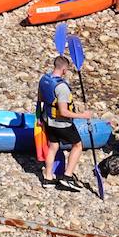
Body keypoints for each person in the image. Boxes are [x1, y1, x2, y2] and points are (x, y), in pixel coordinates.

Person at [37, 55, 91, 191]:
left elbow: (40, 99)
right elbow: (63, 112)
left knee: (53, 146)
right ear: (65, 69)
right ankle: (67, 177)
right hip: (62, 124)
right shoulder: (62, 88)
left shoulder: (44, 79)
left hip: (47, 120)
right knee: (78, 146)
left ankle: (48, 178)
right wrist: (82, 115)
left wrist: (38, 116)